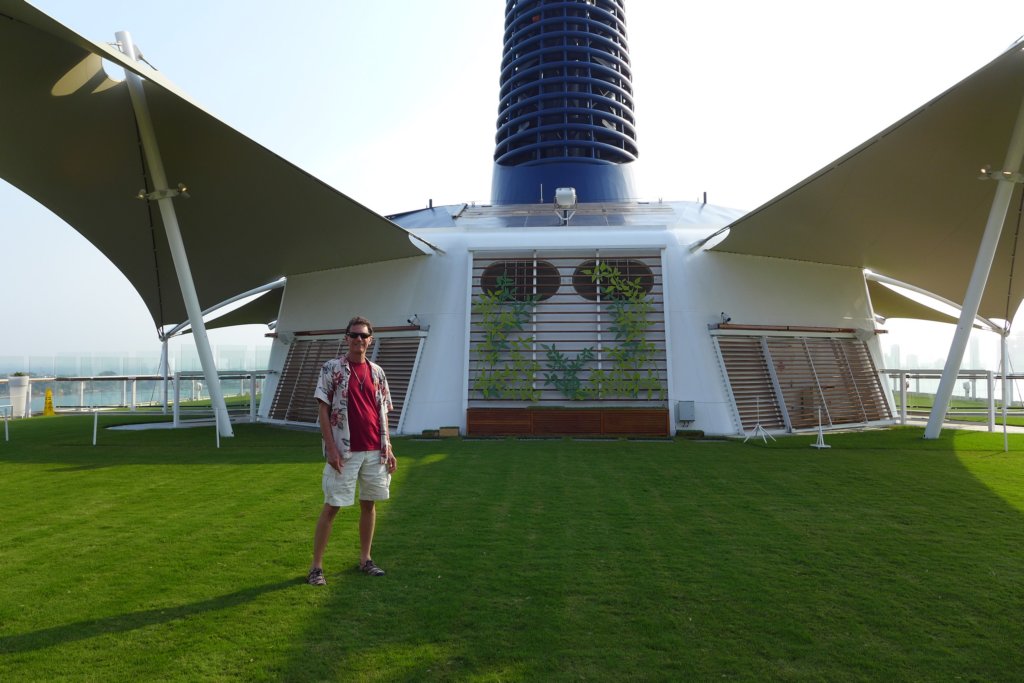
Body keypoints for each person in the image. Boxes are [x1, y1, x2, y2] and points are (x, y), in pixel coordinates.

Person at [307, 316, 398, 585]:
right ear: (346, 338)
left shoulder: (377, 372)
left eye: (364, 335)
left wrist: (389, 447)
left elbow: (383, 413)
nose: (359, 339)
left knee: (369, 504)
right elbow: (323, 409)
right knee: (332, 506)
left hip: (375, 450)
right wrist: (331, 448)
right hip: (344, 452)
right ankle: (316, 567)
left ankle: (365, 559)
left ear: (370, 340)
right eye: (354, 335)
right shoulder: (332, 368)